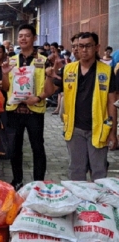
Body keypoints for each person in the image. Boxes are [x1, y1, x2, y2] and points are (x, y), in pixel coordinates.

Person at [45, 32, 117, 181]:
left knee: (99, 172)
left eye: (88, 46)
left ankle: (98, 203)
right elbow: (49, 91)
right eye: (80, 46)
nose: (83, 50)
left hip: (98, 129)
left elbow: (112, 103)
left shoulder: (107, 71)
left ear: (97, 47)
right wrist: (49, 75)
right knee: (76, 171)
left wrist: (113, 132)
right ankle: (79, 203)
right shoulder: (68, 69)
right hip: (74, 129)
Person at [6, 24, 48, 191]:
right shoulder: (11, 61)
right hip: (14, 111)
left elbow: (51, 86)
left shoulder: (43, 61)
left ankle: (38, 183)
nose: (23, 38)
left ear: (34, 38)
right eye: (20, 35)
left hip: (34, 111)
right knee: (14, 148)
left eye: (27, 35)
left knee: (37, 147)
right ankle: (17, 180)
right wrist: (3, 73)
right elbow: (5, 86)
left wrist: (38, 97)